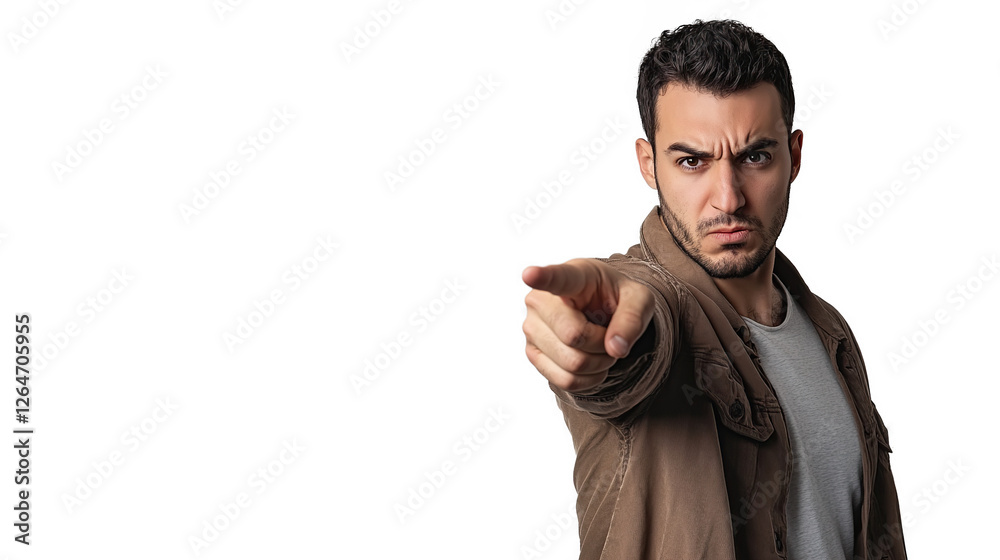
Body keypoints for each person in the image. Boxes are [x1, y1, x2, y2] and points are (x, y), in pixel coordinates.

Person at [521, 19, 907, 560]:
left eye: (754, 156)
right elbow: (634, 341)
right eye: (691, 161)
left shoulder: (830, 334)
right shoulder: (650, 312)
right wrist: (596, 336)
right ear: (648, 163)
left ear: (794, 156)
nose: (727, 198)